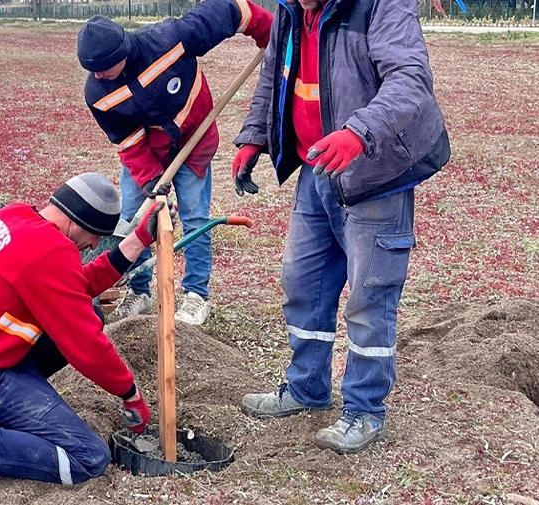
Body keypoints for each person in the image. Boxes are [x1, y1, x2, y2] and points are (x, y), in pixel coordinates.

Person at [232, 0, 450, 454]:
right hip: (318, 167)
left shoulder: (383, 5)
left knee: (370, 296)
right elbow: (274, 74)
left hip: (375, 170)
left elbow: (411, 81)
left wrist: (358, 132)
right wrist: (254, 135)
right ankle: (307, 387)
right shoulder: (292, 10)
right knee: (303, 282)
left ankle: (365, 409)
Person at [0, 173, 169, 484]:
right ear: (76, 220)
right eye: (96, 235)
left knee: (91, 313)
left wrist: (137, 241)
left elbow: (75, 288)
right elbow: (86, 345)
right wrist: (130, 394)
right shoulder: (49, 251)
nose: (96, 244)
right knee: (87, 457)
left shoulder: (17, 216)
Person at [76, 1, 273, 326]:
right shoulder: (98, 91)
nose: (98, 75)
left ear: (121, 51)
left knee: (195, 217)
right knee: (133, 219)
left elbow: (231, 10)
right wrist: (152, 182)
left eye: (103, 67)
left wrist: (270, 35)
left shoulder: (169, 39)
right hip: (147, 153)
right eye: (92, 69)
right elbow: (127, 142)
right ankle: (140, 292)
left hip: (194, 142)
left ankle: (196, 295)